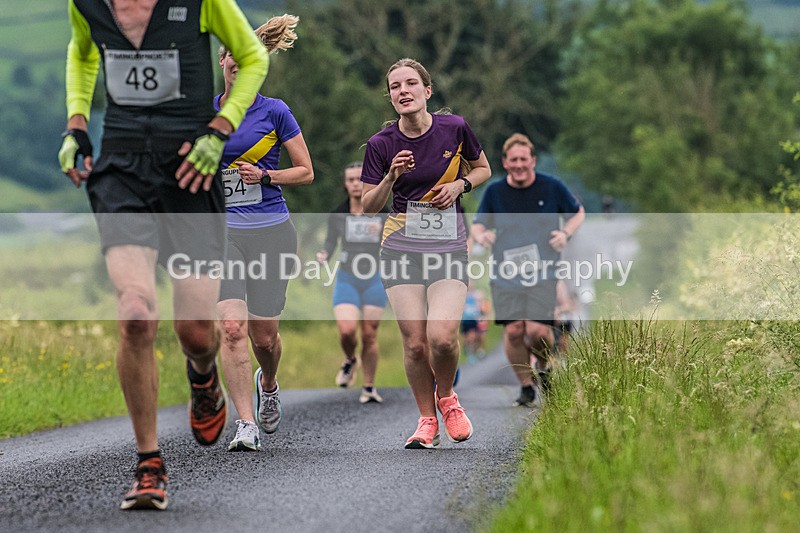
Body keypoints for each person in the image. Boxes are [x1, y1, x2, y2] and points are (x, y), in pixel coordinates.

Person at [59, 0, 268, 510]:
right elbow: (83, 53)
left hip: (191, 169)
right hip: (122, 168)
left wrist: (220, 130)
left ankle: (203, 375)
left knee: (196, 333)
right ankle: (149, 463)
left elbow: (253, 57)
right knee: (135, 315)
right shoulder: (87, 4)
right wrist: (77, 124)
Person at [360, 58, 491, 449]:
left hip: (448, 245)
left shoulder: (455, 128)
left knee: (443, 338)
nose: (403, 91)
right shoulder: (381, 145)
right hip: (400, 247)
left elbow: (483, 169)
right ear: (390, 97)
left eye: (411, 83)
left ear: (427, 91)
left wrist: (460, 186)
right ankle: (426, 420)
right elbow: (368, 205)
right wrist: (390, 177)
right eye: (395, 86)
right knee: (415, 343)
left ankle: (447, 397)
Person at [216, 15, 314, 452]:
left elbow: (306, 172)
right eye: (231, 60)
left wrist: (266, 176)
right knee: (232, 328)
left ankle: (268, 384)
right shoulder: (206, 114)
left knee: (265, 338)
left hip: (271, 231)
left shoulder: (275, 111)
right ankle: (245, 423)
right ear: (222, 63)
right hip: (223, 234)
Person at [471, 133, 584, 409]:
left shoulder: (552, 187)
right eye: (514, 160)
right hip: (505, 274)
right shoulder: (495, 192)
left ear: (532, 160)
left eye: (524, 159)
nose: (519, 164)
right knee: (513, 331)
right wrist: (482, 235)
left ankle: (544, 367)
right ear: (505, 162)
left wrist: (565, 234)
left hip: (543, 272)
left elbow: (577, 213)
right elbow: (478, 224)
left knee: (537, 331)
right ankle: (525, 387)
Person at [316, 162, 389, 404]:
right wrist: (324, 255)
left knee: (369, 334)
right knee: (347, 331)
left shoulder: (383, 212)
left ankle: (368, 387)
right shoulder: (338, 214)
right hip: (347, 277)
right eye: (351, 180)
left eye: (360, 179)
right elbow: (330, 242)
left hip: (374, 278)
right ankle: (350, 359)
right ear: (345, 184)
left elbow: (394, 241)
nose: (356, 184)